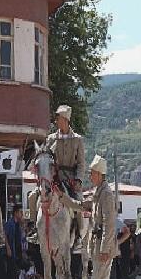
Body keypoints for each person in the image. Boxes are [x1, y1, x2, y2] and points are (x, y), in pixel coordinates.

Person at [45, 105, 85, 249]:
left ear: (66, 120)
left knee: (79, 201)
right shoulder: (50, 138)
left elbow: (81, 163)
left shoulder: (77, 140)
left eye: (59, 118)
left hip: (71, 178)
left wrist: (79, 179)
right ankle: (36, 230)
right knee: (34, 197)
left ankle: (79, 236)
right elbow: (46, 157)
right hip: (54, 177)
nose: (56, 121)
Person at [85, 155, 117, 279]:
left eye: (92, 173)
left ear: (99, 174)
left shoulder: (105, 194)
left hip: (102, 247)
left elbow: (109, 223)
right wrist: (62, 197)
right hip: (98, 245)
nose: (90, 176)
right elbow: (81, 205)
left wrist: (104, 248)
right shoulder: (98, 192)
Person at [0, 205, 25, 279]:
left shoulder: (17, 224)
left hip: (15, 252)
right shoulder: (10, 223)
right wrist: (8, 248)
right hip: (9, 252)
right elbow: (5, 235)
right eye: (20, 212)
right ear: (15, 213)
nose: (21, 214)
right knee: (12, 273)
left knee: (11, 274)